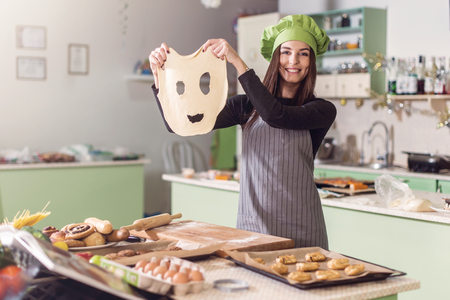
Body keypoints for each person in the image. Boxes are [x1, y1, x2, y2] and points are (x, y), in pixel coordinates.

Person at [149, 14, 336, 249]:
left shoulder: (321, 110)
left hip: (303, 226)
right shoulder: (244, 106)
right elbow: (180, 124)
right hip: (254, 226)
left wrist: (237, 62)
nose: (293, 60)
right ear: (275, 57)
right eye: (286, 52)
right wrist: (160, 77)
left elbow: (275, 115)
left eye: (303, 53)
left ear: (312, 61)